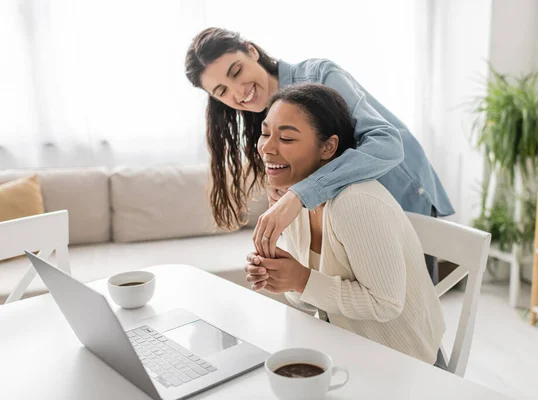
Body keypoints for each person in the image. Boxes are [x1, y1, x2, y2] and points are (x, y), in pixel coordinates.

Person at [184, 27, 454, 283]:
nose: (239, 92)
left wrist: (300, 193)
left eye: (237, 71)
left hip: (402, 194)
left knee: (406, 309)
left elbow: (387, 144)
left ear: (251, 51)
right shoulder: (263, 116)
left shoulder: (320, 75)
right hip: (350, 216)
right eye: (222, 91)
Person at [243, 83, 445, 365]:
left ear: (328, 147)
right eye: (265, 133)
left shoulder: (355, 202)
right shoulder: (295, 202)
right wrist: (283, 275)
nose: (266, 147)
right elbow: (311, 300)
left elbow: (386, 304)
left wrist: (301, 279)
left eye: (286, 139)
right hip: (344, 351)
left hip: (404, 365)